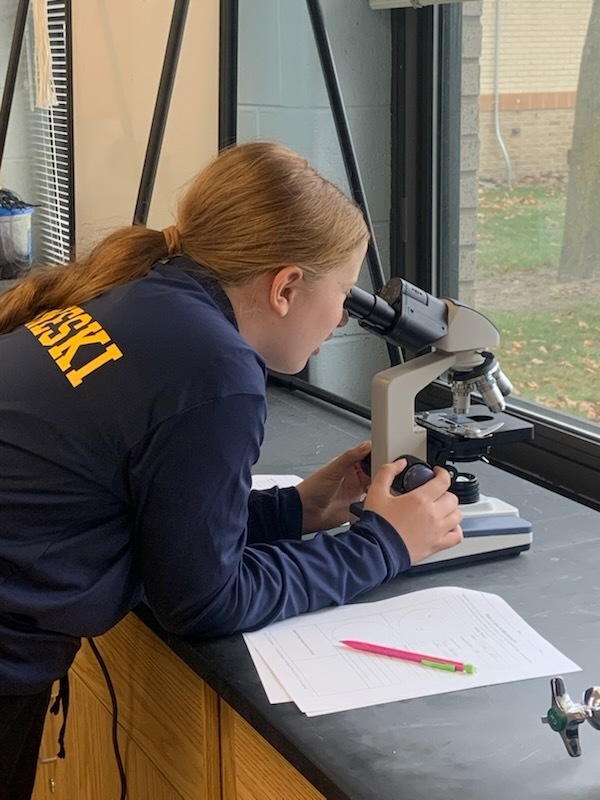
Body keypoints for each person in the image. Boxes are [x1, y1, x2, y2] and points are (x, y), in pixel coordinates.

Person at [0, 141, 462, 799]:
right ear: (286, 287)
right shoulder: (216, 368)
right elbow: (201, 600)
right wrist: (386, 544)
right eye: (341, 297)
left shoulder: (142, 298)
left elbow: (160, 513)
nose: (339, 321)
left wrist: (298, 507)